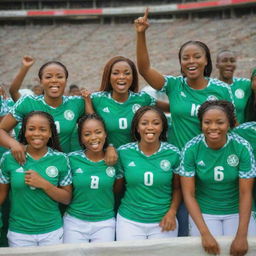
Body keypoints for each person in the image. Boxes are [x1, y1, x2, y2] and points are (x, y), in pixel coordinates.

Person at [134, 8, 234, 236]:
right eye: (185, 57)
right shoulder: (174, 85)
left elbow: (231, 128)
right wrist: (141, 34)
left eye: (196, 56)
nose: (191, 61)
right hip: (180, 164)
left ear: (206, 60)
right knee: (182, 221)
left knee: (211, 221)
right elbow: (145, 69)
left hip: (210, 162)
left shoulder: (221, 89)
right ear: (180, 62)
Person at [180, 100, 256, 256]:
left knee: (241, 250)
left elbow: (245, 193)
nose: (213, 127)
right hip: (205, 212)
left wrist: (242, 235)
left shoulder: (242, 147)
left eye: (220, 122)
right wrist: (205, 233)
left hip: (236, 211)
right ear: (201, 124)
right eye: (207, 122)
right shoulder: (191, 148)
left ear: (229, 124)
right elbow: (189, 194)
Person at [0, 56, 94, 161]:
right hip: (30, 164)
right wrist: (13, 144)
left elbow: (95, 124)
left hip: (62, 167)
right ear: (41, 81)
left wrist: (88, 101)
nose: (54, 80)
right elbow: (1, 130)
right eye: (48, 77)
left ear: (66, 81)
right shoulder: (28, 102)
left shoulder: (76, 103)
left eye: (59, 77)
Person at [0, 111, 72, 247]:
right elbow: (1, 194)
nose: (37, 133)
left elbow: (67, 198)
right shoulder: (9, 158)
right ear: (24, 132)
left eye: (43, 129)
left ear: (50, 133)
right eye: (31, 129)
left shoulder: (61, 159)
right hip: (19, 232)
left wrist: (45, 184)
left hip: (52, 232)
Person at [116, 106, 181, 241]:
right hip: (129, 220)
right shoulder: (123, 152)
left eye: (156, 123)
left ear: (163, 127)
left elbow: (177, 188)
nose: (150, 127)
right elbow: (117, 188)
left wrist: (172, 212)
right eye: (144, 123)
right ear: (137, 127)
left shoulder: (173, 153)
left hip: (163, 220)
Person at [64, 114, 122, 243]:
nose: (93, 137)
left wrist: (111, 147)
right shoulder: (71, 159)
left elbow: (117, 189)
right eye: (87, 134)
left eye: (98, 132)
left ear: (105, 134)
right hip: (74, 221)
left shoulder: (115, 159)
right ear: (81, 138)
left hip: (105, 222)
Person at [89, 56, 169, 149]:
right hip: (107, 160)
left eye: (127, 73)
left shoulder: (143, 99)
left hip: (135, 159)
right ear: (108, 76)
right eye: (115, 73)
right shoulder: (96, 99)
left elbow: (172, 108)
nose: (122, 77)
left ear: (133, 77)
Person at [216, 50, 253, 124]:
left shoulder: (245, 84)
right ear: (217, 65)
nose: (229, 64)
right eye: (224, 61)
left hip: (242, 133)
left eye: (232, 61)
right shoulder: (211, 86)